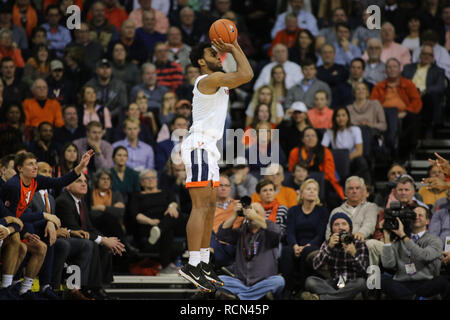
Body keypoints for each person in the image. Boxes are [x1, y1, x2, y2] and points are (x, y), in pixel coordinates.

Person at [178, 39, 253, 292]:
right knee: (200, 207)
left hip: (210, 149)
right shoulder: (206, 79)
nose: (217, 55)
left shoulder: (218, 79)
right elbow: (247, 74)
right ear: (201, 61)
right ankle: (191, 264)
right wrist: (233, 46)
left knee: (209, 207)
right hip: (198, 144)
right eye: (212, 53)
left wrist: (230, 48)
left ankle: (202, 263)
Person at [55, 173, 125, 300]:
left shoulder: (81, 201)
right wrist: (102, 240)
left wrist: (106, 240)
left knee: (103, 245)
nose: (83, 184)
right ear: (68, 186)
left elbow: (89, 228)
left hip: (78, 237)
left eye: (85, 181)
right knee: (92, 244)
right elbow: (76, 229)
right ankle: (85, 288)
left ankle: (98, 288)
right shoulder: (63, 201)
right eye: (78, 181)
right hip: (66, 238)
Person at [30, 161, 92, 300]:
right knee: (62, 245)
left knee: (86, 244)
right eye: (43, 171)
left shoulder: (51, 198)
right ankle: (53, 287)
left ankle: (74, 288)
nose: (48, 174)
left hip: (53, 235)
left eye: (49, 172)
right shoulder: (30, 194)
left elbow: (55, 224)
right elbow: (29, 220)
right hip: (37, 236)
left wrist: (69, 232)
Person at [216, 200, 286, 300]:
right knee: (218, 280)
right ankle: (256, 295)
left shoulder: (269, 230)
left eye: (256, 211)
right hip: (241, 282)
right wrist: (234, 215)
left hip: (264, 282)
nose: (251, 214)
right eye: (250, 211)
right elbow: (221, 235)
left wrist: (255, 217)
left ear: (264, 214)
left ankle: (239, 297)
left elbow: (278, 232)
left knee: (279, 281)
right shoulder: (242, 231)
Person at [380, 205, 448, 300]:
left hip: (425, 282)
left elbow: (425, 256)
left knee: (443, 280)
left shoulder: (435, 240)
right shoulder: (398, 239)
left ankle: (409, 297)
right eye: (414, 215)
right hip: (401, 283)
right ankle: (414, 298)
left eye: (420, 215)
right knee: (378, 278)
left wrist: (403, 236)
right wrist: (387, 239)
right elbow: (388, 264)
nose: (416, 217)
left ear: (428, 221)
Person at [302, 213, 369, 300]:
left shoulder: (359, 244)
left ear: (350, 228)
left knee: (361, 283)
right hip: (334, 282)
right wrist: (329, 248)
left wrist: (354, 254)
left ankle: (321, 298)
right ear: (332, 229)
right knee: (310, 281)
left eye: (344, 224)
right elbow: (316, 266)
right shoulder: (328, 243)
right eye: (336, 224)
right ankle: (345, 297)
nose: (340, 227)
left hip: (352, 282)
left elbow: (365, 272)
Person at [281, 178, 329, 295]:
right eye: (308, 189)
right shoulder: (293, 210)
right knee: (286, 251)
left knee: (307, 250)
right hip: (296, 244)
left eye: (314, 189)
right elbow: (290, 231)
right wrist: (295, 245)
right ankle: (287, 289)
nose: (312, 191)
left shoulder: (322, 211)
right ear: (301, 193)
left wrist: (308, 245)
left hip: (314, 245)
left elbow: (321, 234)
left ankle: (304, 288)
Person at [128, 169, 180, 274]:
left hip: (165, 222)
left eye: (153, 178)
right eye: (147, 179)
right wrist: (150, 221)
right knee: (167, 229)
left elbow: (174, 202)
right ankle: (166, 265)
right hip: (147, 226)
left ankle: (159, 229)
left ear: (157, 180)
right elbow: (136, 215)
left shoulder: (166, 193)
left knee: (173, 215)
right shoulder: (137, 196)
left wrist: (172, 206)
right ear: (141, 182)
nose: (151, 180)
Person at [370, 58, 423, 160]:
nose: (392, 69)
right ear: (385, 70)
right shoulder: (379, 86)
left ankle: (405, 151)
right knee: (390, 114)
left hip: (404, 115)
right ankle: (390, 150)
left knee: (414, 119)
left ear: (400, 69)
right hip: (384, 115)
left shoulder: (408, 84)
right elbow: (373, 105)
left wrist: (406, 111)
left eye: (394, 67)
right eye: (389, 67)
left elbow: (417, 102)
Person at [288, 126, 345, 208]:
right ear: (303, 139)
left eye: (313, 136)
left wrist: (312, 181)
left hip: (322, 182)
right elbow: (291, 171)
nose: (310, 138)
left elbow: (329, 174)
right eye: (307, 136)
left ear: (317, 138)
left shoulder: (325, 151)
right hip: (300, 182)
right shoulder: (295, 152)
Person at [402, 44, 447, 139]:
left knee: (431, 97)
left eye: (430, 55)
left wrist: (424, 91)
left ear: (433, 57)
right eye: (424, 53)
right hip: (408, 95)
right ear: (420, 55)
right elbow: (401, 82)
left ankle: (429, 129)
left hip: (426, 95)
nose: (427, 56)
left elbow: (440, 87)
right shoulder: (408, 68)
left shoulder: (438, 71)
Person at [321, 107, 371, 184]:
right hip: (336, 160)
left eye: (343, 115)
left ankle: (367, 185)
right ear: (334, 118)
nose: (341, 118)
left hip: (352, 159)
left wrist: (346, 159)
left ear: (348, 117)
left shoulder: (355, 129)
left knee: (361, 161)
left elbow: (359, 151)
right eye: (338, 116)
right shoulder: (329, 132)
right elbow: (322, 149)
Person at [325, 176, 378, 242]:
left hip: (362, 243)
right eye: (351, 188)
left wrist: (361, 233)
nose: (354, 191)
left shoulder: (371, 207)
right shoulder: (336, 211)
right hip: (340, 245)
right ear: (345, 192)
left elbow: (369, 224)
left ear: (362, 191)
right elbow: (328, 234)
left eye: (357, 188)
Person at [210, 174, 243, 268]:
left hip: (234, 241)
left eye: (226, 186)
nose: (223, 188)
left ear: (230, 188)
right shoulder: (207, 206)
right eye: (220, 185)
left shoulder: (239, 205)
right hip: (215, 240)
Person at [85, 58, 128, 125]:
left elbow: (123, 105)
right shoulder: (90, 85)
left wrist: (109, 114)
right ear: (97, 70)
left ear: (111, 70)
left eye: (107, 68)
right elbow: (86, 104)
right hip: (95, 117)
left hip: (115, 119)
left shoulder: (119, 85)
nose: (105, 70)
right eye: (102, 68)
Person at [316, 43, 348, 109]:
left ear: (334, 54)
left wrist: (326, 77)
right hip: (320, 103)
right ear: (321, 55)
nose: (327, 55)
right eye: (325, 53)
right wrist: (332, 77)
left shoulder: (341, 69)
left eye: (330, 52)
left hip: (339, 103)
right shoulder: (316, 70)